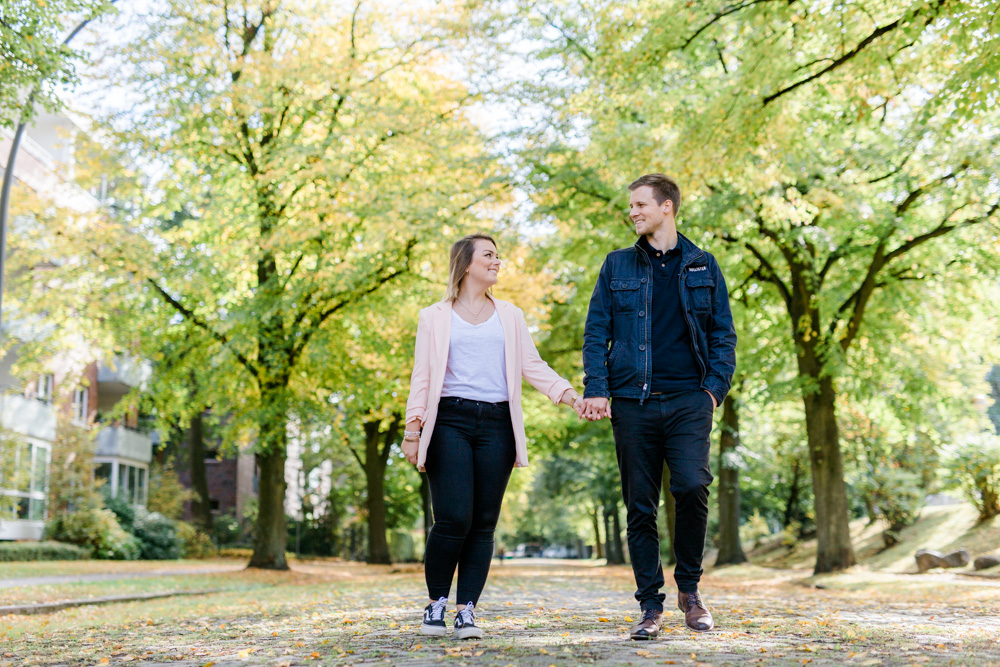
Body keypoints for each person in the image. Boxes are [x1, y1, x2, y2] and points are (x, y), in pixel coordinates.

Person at [403, 233, 584, 640]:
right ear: (466, 264)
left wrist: (571, 397)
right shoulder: (434, 316)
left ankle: (467, 610)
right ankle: (436, 604)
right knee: (453, 518)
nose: (497, 261)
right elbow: (423, 375)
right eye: (489, 255)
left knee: (483, 523)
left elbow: (532, 365)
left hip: (498, 425)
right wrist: (413, 428)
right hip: (449, 420)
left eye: (498, 256)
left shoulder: (511, 315)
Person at [580, 174, 736, 639]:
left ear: (667, 207)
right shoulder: (617, 266)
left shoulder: (704, 266)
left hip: (691, 399)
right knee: (639, 507)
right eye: (631, 206)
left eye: (641, 204)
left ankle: (689, 589)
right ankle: (651, 604)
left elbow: (722, 336)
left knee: (691, 486)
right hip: (632, 401)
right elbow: (596, 331)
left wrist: (712, 392)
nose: (633, 212)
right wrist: (597, 388)